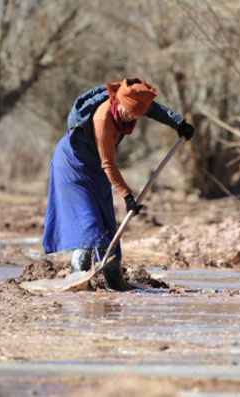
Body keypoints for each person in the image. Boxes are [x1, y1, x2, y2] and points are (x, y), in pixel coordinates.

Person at [42, 77, 194, 290]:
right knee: (88, 224)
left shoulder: (134, 101)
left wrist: (179, 123)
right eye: (127, 112)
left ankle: (116, 282)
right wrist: (127, 196)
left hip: (96, 169)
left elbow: (154, 109)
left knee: (107, 226)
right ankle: (79, 283)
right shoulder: (103, 118)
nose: (130, 116)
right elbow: (109, 164)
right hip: (72, 165)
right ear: (118, 101)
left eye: (135, 115)